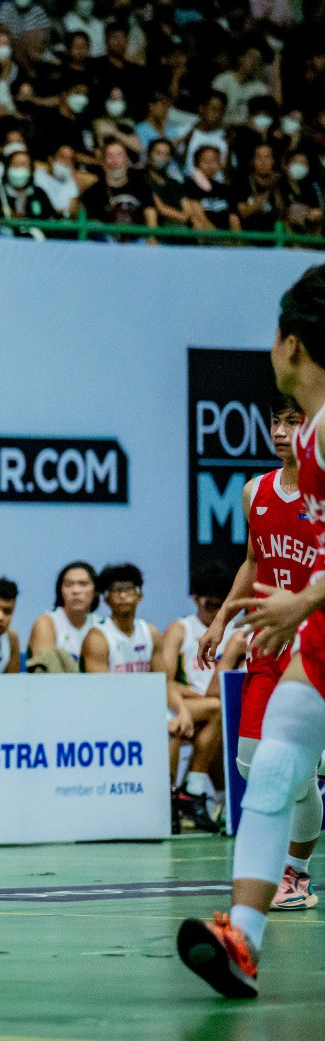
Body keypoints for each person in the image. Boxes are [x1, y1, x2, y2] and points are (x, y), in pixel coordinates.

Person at [177, 264, 325, 997]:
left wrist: (307, 598)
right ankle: (243, 937)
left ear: (291, 344)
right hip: (316, 634)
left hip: (313, 614)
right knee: (269, 765)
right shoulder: (310, 442)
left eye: (273, 334)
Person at [197, 396, 319, 911]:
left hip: (313, 642)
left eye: (293, 422)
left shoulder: (322, 490)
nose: (282, 431)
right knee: (251, 762)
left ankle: (297, 874)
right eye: (276, 422)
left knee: (291, 769)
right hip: (268, 640)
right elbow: (253, 560)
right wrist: (223, 617)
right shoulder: (255, 490)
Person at [157, 562, 236, 831]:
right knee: (207, 714)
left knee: (217, 714)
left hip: (224, 707)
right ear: (194, 598)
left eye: (219, 596)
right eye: (206, 595)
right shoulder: (181, 630)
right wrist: (192, 702)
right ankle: (191, 792)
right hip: (184, 704)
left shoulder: (238, 633)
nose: (213, 601)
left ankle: (196, 797)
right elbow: (165, 681)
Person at [78, 139, 157, 239]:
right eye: (110, 156)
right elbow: (93, 223)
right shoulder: (93, 191)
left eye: (119, 156)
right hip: (108, 242)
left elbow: (150, 210)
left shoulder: (140, 184)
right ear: (103, 162)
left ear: (127, 160)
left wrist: (152, 237)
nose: (115, 161)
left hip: (139, 240)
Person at [27, 561, 99, 661]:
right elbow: (44, 668)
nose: (76, 591)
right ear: (60, 591)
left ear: (96, 591)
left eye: (83, 584)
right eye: (69, 585)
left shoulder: (100, 625)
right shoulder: (46, 622)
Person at [0, 147, 56, 236]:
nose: (19, 169)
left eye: (23, 165)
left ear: (31, 170)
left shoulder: (39, 193)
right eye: (15, 165)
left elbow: (50, 222)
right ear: (7, 169)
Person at [183, 143, 240, 234]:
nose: (210, 165)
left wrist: (237, 239)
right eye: (205, 161)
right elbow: (199, 215)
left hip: (227, 235)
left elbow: (233, 217)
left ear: (219, 164)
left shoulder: (225, 189)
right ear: (196, 164)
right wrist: (218, 237)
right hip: (207, 235)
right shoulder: (190, 185)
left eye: (214, 161)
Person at [212, 41, 271, 125]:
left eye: (258, 60)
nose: (254, 62)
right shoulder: (223, 79)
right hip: (220, 126)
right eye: (251, 57)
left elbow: (261, 117)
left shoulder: (261, 89)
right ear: (241, 58)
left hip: (245, 129)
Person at [235, 142, 288, 232]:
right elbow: (244, 213)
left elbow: (285, 213)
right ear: (252, 161)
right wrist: (268, 190)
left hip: (276, 235)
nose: (263, 162)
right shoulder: (242, 183)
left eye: (267, 157)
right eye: (259, 157)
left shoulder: (281, 183)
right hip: (250, 234)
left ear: (273, 161)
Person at [282, 150, 325, 236]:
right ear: (287, 165)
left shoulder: (314, 186)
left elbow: (318, 212)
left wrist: (309, 216)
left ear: (308, 168)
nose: (299, 166)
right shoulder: (279, 185)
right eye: (295, 162)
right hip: (286, 235)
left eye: (303, 163)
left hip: (310, 233)